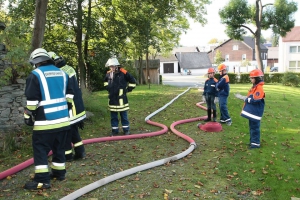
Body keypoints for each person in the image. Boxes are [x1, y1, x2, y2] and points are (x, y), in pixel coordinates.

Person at [23, 48, 74, 189]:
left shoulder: (35, 74)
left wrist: (27, 115)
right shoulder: (63, 73)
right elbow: (70, 94)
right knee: (59, 148)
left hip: (45, 122)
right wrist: (66, 107)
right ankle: (59, 173)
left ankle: (42, 180)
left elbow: (32, 100)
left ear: (36, 62)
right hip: (63, 121)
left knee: (40, 149)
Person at [48, 52, 86, 161]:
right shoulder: (69, 68)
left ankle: (67, 156)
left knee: (65, 133)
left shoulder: (58, 72)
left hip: (69, 107)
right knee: (73, 131)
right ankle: (80, 152)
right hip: (77, 104)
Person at [103, 57, 136, 136]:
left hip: (122, 100)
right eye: (110, 66)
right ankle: (114, 131)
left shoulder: (124, 73)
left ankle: (126, 130)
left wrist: (128, 90)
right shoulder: (108, 74)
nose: (112, 68)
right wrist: (108, 88)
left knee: (124, 116)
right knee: (113, 117)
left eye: (113, 66)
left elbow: (133, 81)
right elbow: (105, 82)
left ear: (117, 66)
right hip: (112, 99)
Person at [241, 69, 265, 149]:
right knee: (252, 127)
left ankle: (255, 144)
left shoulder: (259, 88)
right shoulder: (255, 87)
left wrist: (246, 99)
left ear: (256, 78)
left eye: (252, 78)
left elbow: (255, 99)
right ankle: (252, 142)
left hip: (256, 112)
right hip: (253, 112)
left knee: (255, 128)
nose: (251, 79)